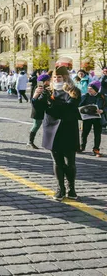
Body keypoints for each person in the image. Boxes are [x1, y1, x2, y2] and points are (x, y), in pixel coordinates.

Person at [32, 66, 81, 201]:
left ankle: (71, 188)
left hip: (68, 128)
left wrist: (51, 101)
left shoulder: (74, 90)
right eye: (54, 77)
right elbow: (39, 109)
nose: (56, 79)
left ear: (65, 78)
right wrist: (36, 96)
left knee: (70, 162)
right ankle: (60, 188)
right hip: (51, 128)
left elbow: (69, 107)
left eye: (59, 77)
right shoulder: (49, 91)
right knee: (57, 161)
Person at [79, 80, 105, 156]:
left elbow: (105, 107)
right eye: (88, 88)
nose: (89, 90)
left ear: (96, 90)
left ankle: (96, 149)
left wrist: (102, 110)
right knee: (84, 133)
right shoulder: (85, 96)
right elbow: (80, 105)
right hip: (87, 118)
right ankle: (82, 147)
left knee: (97, 134)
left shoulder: (102, 97)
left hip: (97, 118)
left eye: (91, 89)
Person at [28, 74, 50, 149]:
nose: (49, 82)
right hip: (38, 109)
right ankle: (30, 141)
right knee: (36, 125)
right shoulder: (40, 88)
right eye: (48, 80)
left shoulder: (43, 87)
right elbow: (38, 100)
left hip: (41, 109)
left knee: (39, 125)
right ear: (45, 81)